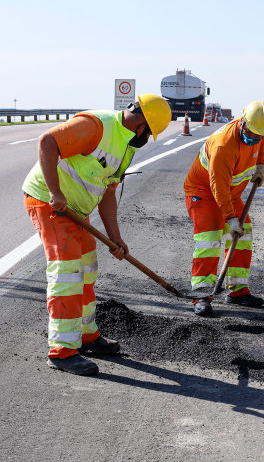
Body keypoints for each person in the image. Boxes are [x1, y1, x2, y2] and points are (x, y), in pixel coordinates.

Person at [22, 94, 172, 375]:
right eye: (149, 134)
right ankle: (62, 351)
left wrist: (116, 238)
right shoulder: (97, 126)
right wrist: (55, 191)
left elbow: (108, 192)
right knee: (67, 275)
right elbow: (47, 142)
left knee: (88, 271)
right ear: (142, 126)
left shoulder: (126, 147)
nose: (146, 139)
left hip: (77, 211)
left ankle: (86, 335)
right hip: (50, 204)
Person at [183, 101, 264, 317]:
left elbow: (260, 146)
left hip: (230, 194)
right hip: (204, 193)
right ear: (243, 122)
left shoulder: (258, 132)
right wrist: (231, 219)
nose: (254, 137)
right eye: (250, 132)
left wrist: (261, 165)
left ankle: (238, 290)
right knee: (210, 238)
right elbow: (218, 187)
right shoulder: (224, 145)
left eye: (259, 134)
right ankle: (202, 295)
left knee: (244, 233)